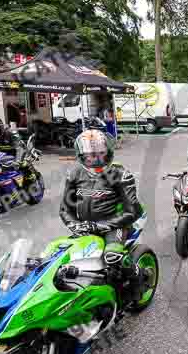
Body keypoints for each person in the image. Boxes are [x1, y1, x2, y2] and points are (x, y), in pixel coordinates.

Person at [59, 129, 146, 303]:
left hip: (115, 226)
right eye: (90, 156)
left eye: (100, 154)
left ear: (109, 152)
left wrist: (99, 226)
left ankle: (138, 280)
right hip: (84, 226)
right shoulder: (75, 174)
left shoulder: (121, 175)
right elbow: (65, 209)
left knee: (112, 257)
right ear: (81, 155)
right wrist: (74, 225)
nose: (96, 159)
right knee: (64, 259)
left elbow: (133, 211)